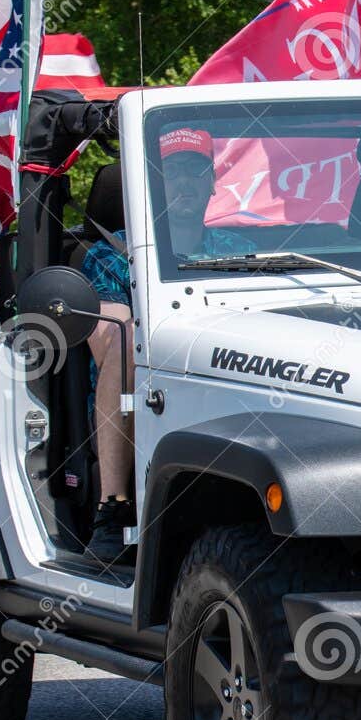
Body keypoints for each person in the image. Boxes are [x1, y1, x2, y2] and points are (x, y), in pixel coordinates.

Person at [81, 126, 254, 562]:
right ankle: (114, 507)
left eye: (196, 171)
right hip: (137, 394)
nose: (184, 183)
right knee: (126, 337)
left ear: (213, 181)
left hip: (221, 377)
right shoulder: (112, 253)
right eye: (172, 171)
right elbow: (105, 333)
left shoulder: (241, 248)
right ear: (152, 183)